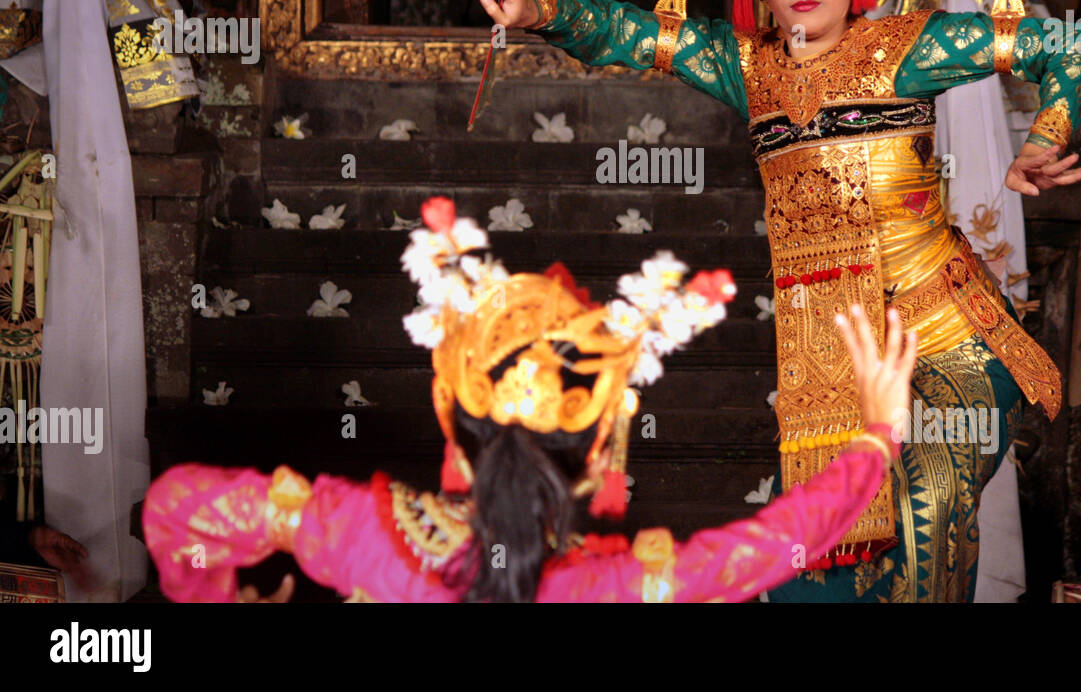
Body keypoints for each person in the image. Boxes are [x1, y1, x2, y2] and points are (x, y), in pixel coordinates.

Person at [479, 0, 1081, 601]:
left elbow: (1075, 44)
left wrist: (1048, 135)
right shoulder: (749, 68)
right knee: (804, 565)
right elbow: (632, 34)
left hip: (948, 343)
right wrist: (536, 10)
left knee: (924, 508)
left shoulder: (907, 50)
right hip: (832, 366)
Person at [142, 196, 914, 603]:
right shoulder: (625, 586)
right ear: (600, 456)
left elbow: (175, 509)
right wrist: (877, 436)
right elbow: (780, 543)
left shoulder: (355, 536)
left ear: (455, 424)